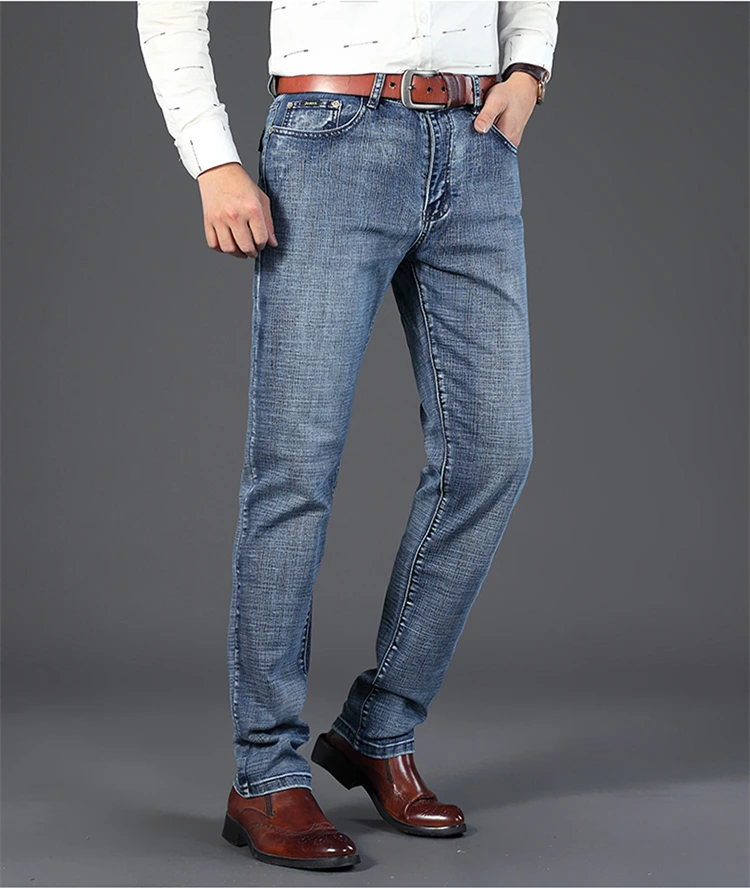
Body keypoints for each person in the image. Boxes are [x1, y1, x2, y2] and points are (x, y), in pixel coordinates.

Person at [137, 0, 560, 871]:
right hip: (332, 136)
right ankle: (265, 775)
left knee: (494, 453)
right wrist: (213, 158)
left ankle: (380, 727)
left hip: (477, 142)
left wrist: (528, 67)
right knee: (293, 470)